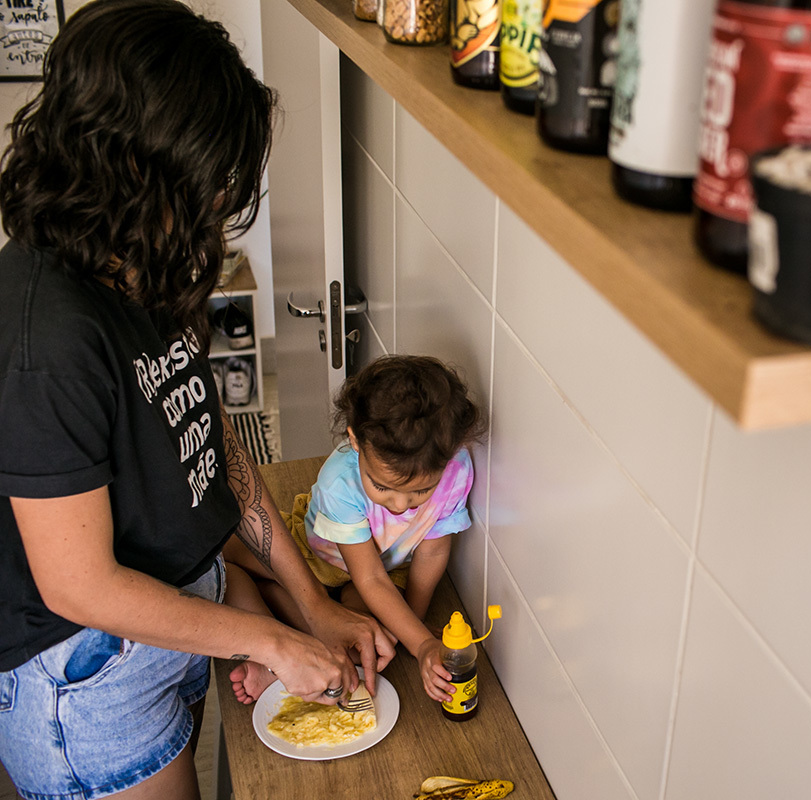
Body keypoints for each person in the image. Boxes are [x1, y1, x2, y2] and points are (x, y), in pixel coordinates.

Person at [0, 2, 395, 799]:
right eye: (205, 182)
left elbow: (208, 436)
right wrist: (270, 642)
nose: (218, 202)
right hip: (87, 681)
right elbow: (78, 585)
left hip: (176, 622)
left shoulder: (138, 259)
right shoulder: (47, 340)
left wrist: (310, 606)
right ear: (135, 166)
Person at [223, 355, 486, 707]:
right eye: (382, 487)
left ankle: (291, 638)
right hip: (317, 554)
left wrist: (413, 628)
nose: (399, 504)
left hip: (384, 570)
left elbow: (433, 551)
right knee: (223, 559)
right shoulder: (340, 482)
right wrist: (421, 642)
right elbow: (369, 577)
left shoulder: (454, 469)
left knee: (369, 645)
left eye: (421, 491)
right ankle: (270, 657)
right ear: (356, 441)